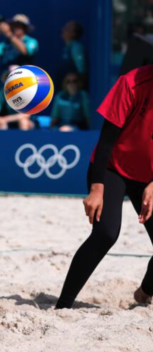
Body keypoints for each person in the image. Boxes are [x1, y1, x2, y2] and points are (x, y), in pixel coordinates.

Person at [56, 65, 153, 309]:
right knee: (106, 233)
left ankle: (145, 293)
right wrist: (96, 189)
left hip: (150, 178)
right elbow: (106, 140)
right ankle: (63, 305)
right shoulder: (132, 82)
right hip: (112, 169)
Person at [0, 65, 35, 130]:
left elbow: (26, 115)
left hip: (27, 121)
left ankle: (25, 140)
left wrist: (4, 119)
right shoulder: (3, 92)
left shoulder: (28, 91)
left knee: (23, 122)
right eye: (9, 76)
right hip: (9, 121)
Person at [55, 21, 87, 91]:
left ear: (74, 33)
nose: (63, 30)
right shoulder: (67, 48)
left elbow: (82, 71)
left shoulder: (76, 47)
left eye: (67, 28)